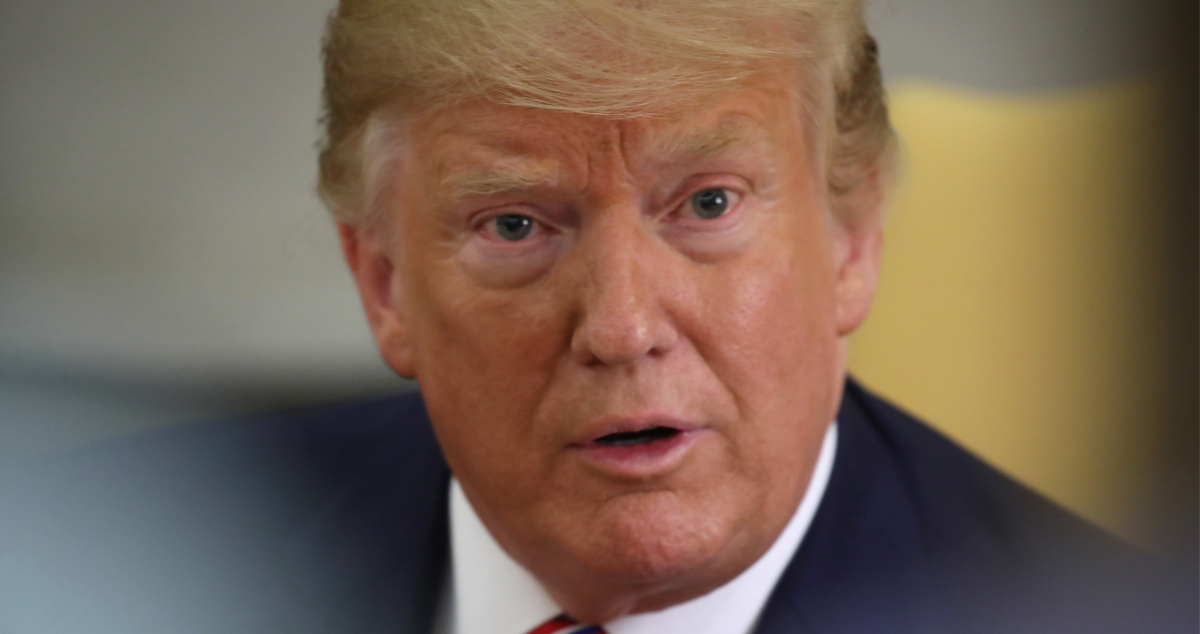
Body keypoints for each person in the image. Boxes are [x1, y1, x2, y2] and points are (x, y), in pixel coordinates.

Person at [0, 1, 1170, 633]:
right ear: (384, 282)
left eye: (707, 204)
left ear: (852, 236)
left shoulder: (1074, 611)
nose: (620, 326)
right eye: (515, 224)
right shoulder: (100, 566)